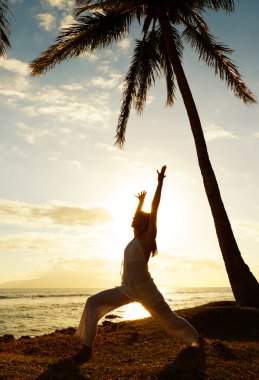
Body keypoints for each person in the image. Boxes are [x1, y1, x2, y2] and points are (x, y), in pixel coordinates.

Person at [73, 165, 203, 363]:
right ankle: (86, 348)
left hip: (146, 290)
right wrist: (139, 203)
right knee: (92, 302)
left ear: (143, 223)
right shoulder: (135, 238)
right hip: (127, 289)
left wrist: (159, 183)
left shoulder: (147, 237)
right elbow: (139, 216)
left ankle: (197, 340)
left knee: (169, 318)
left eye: (136, 218)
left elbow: (155, 208)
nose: (132, 219)